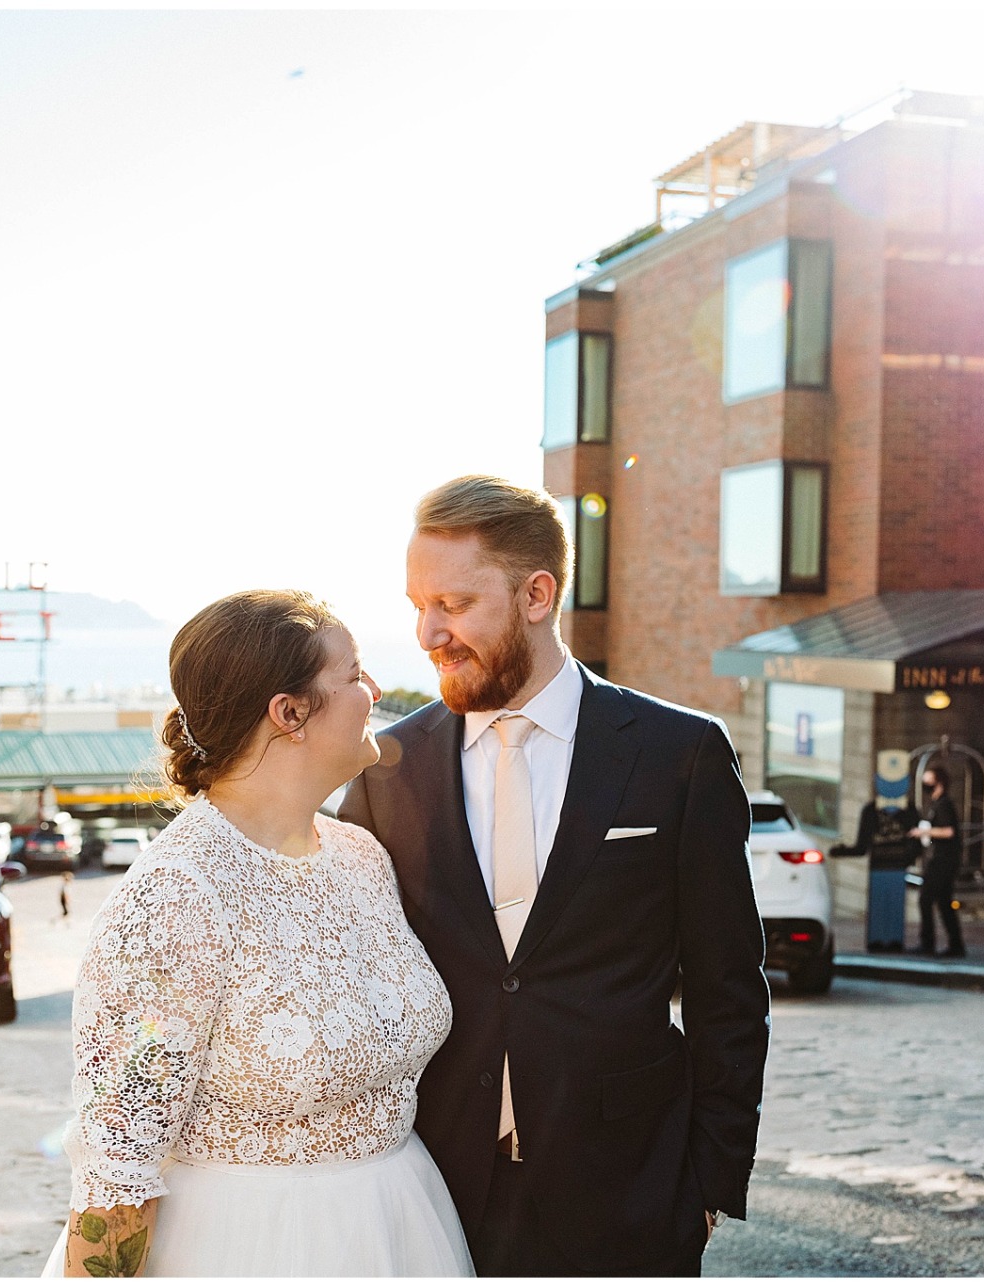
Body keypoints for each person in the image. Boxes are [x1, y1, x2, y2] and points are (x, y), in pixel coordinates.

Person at [340, 475, 771, 1276]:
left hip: (630, 1186)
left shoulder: (681, 755)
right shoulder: (386, 771)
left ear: (537, 594)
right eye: (417, 605)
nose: (429, 631)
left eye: (454, 604)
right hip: (435, 1190)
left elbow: (729, 987)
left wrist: (709, 1180)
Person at [43, 590, 473, 1277]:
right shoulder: (175, 897)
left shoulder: (362, 856)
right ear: (290, 712)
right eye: (355, 673)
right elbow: (117, 1167)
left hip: (403, 1229)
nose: (376, 689)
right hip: (251, 1247)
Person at [909, 764, 966, 958]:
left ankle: (928, 942)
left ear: (939, 783)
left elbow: (949, 831)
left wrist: (924, 831)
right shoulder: (936, 804)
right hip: (940, 859)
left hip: (943, 860)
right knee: (943, 902)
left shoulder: (944, 805)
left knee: (926, 899)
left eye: (928, 781)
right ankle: (955, 944)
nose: (925, 785)